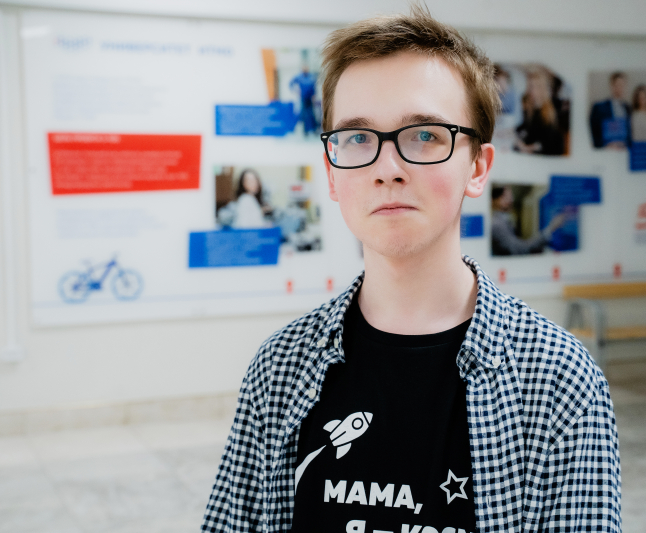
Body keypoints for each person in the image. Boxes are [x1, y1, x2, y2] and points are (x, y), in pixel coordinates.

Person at [201, 6, 620, 533]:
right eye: (357, 138)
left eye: (423, 135)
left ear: (477, 167)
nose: (387, 169)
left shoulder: (557, 380)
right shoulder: (280, 368)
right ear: (331, 173)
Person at [490, 186, 564, 255]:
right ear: (495, 200)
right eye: (506, 196)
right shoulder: (497, 225)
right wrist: (550, 229)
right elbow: (519, 249)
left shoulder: (503, 221)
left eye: (511, 196)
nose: (511, 200)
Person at [514, 69, 565, 155]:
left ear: (542, 88)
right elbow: (526, 126)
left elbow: (546, 143)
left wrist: (526, 148)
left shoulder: (549, 112)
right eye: (529, 86)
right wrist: (511, 131)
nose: (530, 90)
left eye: (534, 86)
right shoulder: (532, 107)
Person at [589, 71, 631, 149]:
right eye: (618, 85)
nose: (620, 88)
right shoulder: (599, 107)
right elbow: (593, 133)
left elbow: (630, 133)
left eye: (622, 85)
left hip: (624, 150)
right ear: (612, 86)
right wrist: (605, 145)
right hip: (606, 150)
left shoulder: (628, 108)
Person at [290, 65, 319, 136]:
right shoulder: (299, 77)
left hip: (310, 98)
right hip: (303, 98)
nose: (305, 70)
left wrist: (314, 96)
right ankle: (306, 131)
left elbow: (314, 87)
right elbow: (291, 83)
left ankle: (314, 130)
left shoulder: (311, 76)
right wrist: (296, 91)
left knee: (312, 114)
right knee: (304, 115)